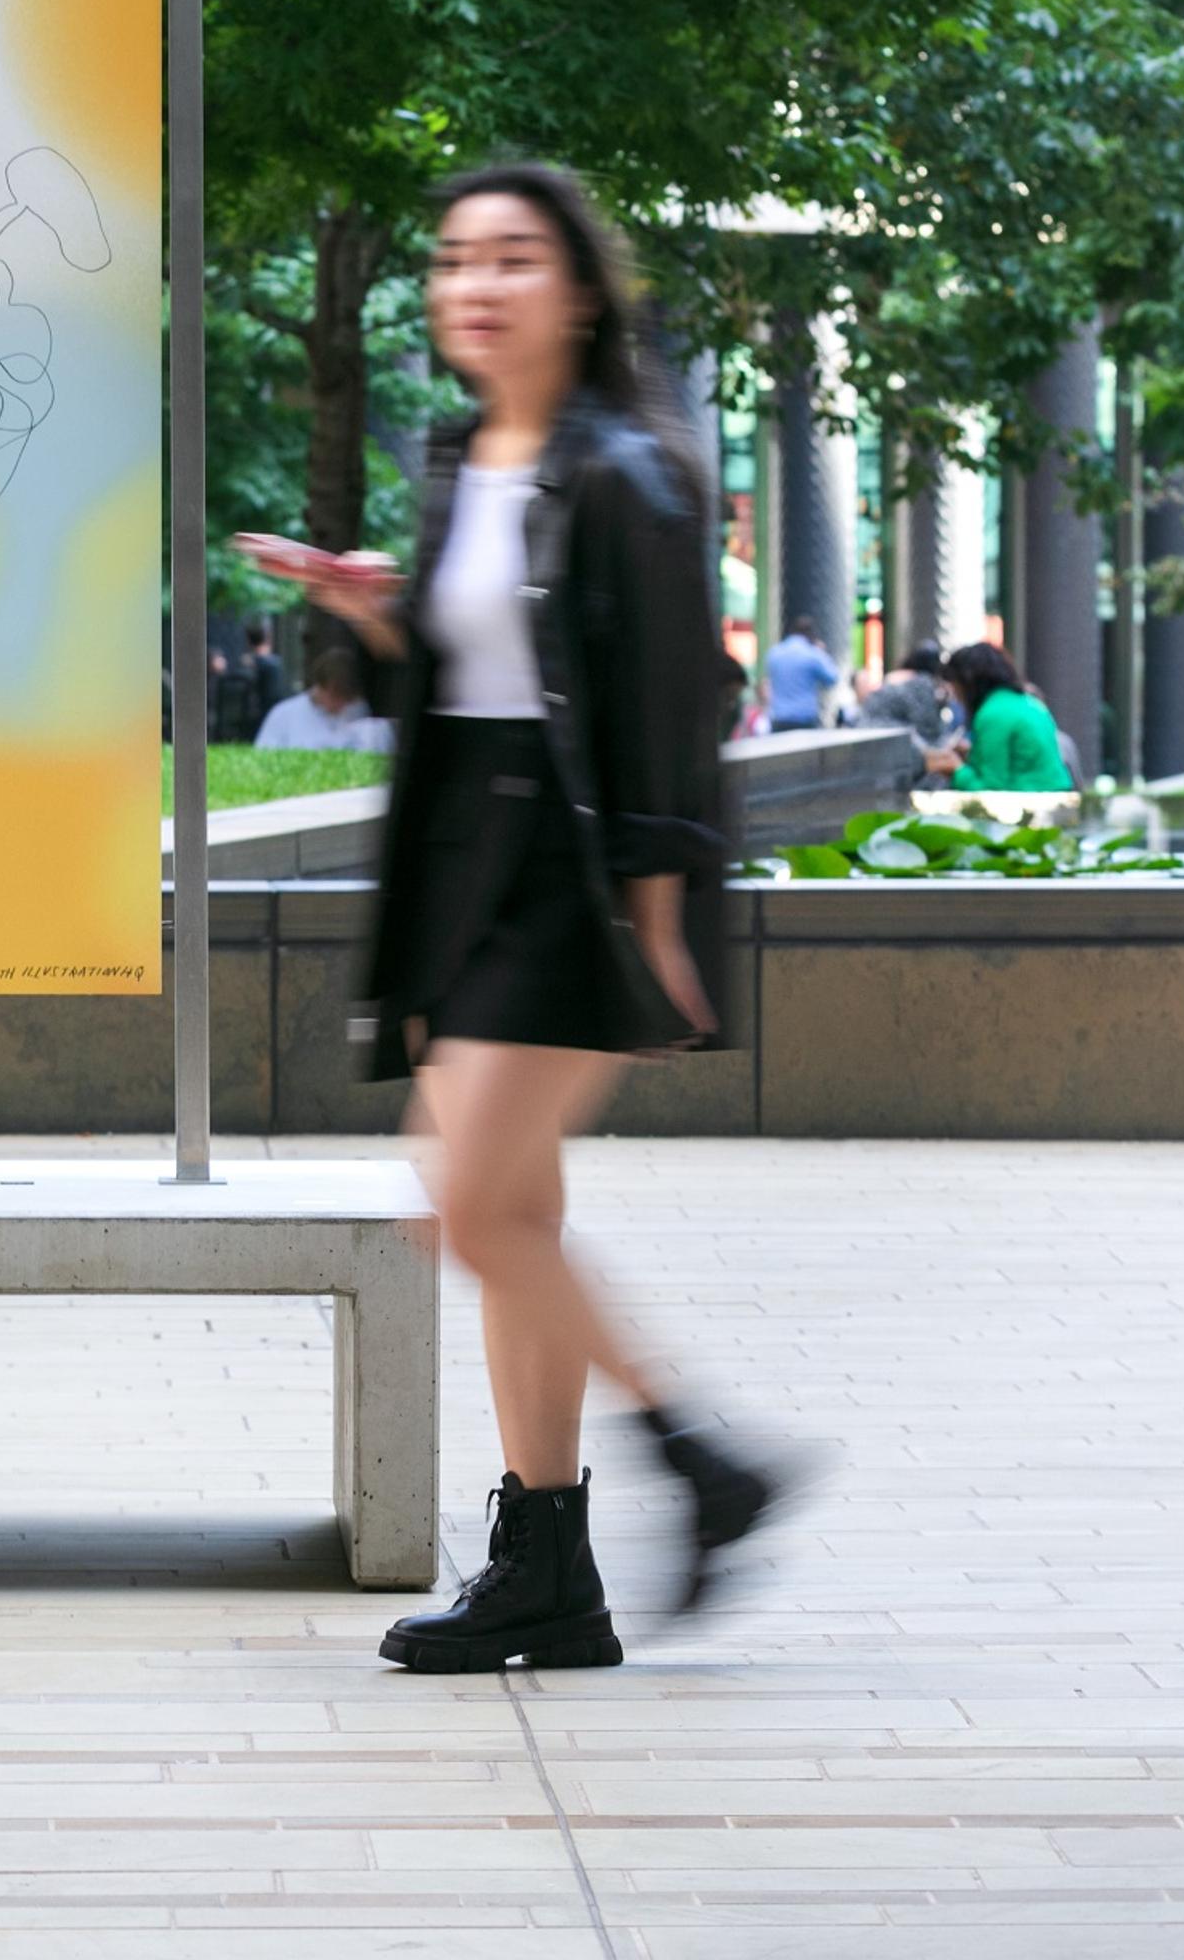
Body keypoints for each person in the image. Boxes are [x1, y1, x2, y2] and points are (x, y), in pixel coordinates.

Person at [252, 160, 792, 1675]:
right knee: (515, 1214)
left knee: (465, 1205)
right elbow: (484, 672)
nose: (474, 285)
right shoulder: (466, 459)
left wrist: (662, 904)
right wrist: (381, 615)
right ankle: (549, 1570)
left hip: (573, 873)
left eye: (513, 258)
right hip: (469, 861)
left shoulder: (632, 470)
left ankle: (704, 1461)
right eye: (452, 259)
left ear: (579, 293)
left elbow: (680, 704)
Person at [925, 642, 1072, 791]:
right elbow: (1019, 761)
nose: (955, 696)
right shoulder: (1028, 703)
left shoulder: (992, 714)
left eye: (955, 685)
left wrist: (956, 769)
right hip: (1056, 796)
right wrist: (973, 754)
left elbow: (991, 789)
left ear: (967, 681)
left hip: (1029, 803)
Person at [252, 646, 395, 753]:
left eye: (347, 699)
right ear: (320, 686)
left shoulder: (368, 716)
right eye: (336, 696)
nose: (341, 705)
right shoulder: (283, 714)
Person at [760, 614, 843, 731]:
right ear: (810, 635)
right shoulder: (813, 654)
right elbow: (832, 678)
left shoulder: (773, 653)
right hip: (804, 721)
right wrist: (822, 653)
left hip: (778, 720)